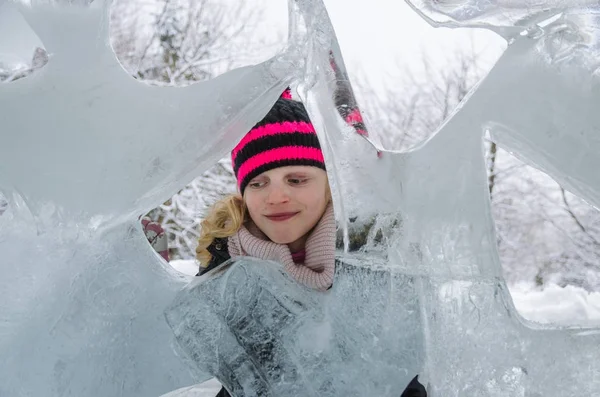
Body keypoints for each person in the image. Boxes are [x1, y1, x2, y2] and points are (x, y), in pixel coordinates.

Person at [193, 89, 427, 397]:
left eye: (296, 179)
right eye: (258, 183)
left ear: (329, 185)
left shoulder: (374, 261)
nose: (275, 197)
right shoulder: (223, 269)